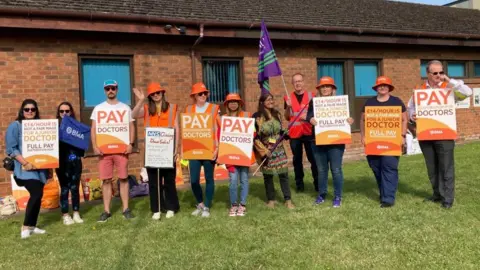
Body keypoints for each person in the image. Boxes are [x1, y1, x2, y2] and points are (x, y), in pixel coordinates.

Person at [407, 60, 472, 209]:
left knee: (446, 167)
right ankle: (437, 194)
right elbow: (410, 107)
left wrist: (448, 80)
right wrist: (412, 116)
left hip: (444, 134)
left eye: (441, 72)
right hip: (426, 134)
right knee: (432, 168)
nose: (438, 75)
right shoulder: (420, 89)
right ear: (427, 74)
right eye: (435, 73)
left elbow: (467, 92)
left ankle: (447, 199)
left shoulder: (449, 88)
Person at [132, 82, 180, 220]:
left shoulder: (172, 108)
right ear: (150, 97)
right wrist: (141, 100)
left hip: (168, 149)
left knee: (169, 180)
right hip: (153, 151)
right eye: (152, 94)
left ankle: (171, 207)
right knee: (154, 182)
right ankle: (156, 209)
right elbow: (133, 114)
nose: (156, 95)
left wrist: (176, 148)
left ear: (162, 93)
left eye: (158, 93)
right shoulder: (147, 109)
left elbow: (176, 128)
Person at [91, 80, 135, 222]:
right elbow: (93, 129)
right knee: (106, 180)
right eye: (108, 88)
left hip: (122, 150)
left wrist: (131, 143)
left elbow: (131, 126)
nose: (110, 90)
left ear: (117, 89)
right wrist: (95, 146)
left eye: (113, 88)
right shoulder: (98, 108)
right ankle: (106, 211)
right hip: (104, 152)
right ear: (105, 90)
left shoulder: (125, 108)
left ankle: (126, 209)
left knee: (123, 179)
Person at [306, 77, 354, 208]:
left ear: (333, 89)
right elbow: (308, 116)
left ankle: (338, 196)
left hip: (336, 141)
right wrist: (311, 119)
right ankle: (322, 194)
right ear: (319, 89)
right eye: (323, 87)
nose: (325, 88)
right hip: (318, 140)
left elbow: (346, 117)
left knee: (336, 169)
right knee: (321, 170)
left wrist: (349, 120)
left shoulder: (340, 102)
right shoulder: (314, 102)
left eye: (328, 86)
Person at [360, 76, 407, 208]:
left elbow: (404, 119)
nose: (382, 87)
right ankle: (384, 192)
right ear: (376, 88)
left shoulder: (396, 101)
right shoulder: (369, 102)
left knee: (389, 168)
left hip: (391, 142)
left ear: (389, 87)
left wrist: (402, 135)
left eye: (385, 85)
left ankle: (388, 199)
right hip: (373, 141)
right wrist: (363, 136)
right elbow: (362, 120)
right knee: (376, 167)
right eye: (380, 85)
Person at [5, 99, 49, 238]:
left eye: (33, 109)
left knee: (39, 195)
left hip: (40, 169)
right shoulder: (16, 126)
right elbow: (11, 148)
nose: (30, 111)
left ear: (36, 111)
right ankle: (25, 227)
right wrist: (25, 163)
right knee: (36, 193)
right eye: (26, 109)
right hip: (24, 170)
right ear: (22, 111)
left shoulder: (41, 126)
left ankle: (32, 226)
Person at [253, 93, 295, 209]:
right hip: (265, 150)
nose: (271, 101)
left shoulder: (277, 114)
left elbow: (279, 132)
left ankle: (288, 200)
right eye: (267, 100)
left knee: (283, 174)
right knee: (268, 176)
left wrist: (284, 133)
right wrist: (264, 151)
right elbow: (254, 136)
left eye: (272, 99)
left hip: (279, 149)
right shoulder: (256, 117)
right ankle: (271, 199)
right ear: (262, 102)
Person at [185, 82, 220, 218]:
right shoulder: (188, 110)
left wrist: (217, 148)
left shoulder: (214, 108)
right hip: (193, 150)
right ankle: (200, 203)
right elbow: (185, 130)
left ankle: (206, 206)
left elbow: (219, 128)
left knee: (209, 179)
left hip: (209, 150)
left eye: (205, 93)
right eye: (200, 93)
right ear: (194, 96)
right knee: (193, 180)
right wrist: (184, 149)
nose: (203, 95)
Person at [284, 73, 318, 192]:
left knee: (313, 159)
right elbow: (287, 117)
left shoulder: (312, 96)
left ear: (303, 82)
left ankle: (317, 184)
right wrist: (288, 107)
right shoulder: (288, 98)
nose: (298, 83)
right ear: (292, 84)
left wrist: (309, 116)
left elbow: (318, 114)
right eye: (295, 81)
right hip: (295, 133)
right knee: (297, 160)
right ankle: (300, 185)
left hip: (309, 132)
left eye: (300, 81)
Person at [221, 93, 251, 217]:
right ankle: (234, 205)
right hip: (230, 156)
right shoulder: (223, 118)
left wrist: (251, 134)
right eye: (230, 102)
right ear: (227, 104)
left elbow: (252, 132)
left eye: (235, 102)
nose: (233, 104)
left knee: (244, 179)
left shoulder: (246, 116)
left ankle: (242, 205)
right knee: (233, 180)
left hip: (243, 154)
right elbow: (220, 137)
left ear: (239, 104)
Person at [55, 102, 85, 225]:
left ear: (71, 112)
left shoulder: (78, 127)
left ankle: (76, 212)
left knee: (75, 188)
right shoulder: (54, 128)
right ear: (59, 113)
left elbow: (82, 149)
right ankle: (65, 214)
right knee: (64, 189)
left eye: (67, 111)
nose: (64, 113)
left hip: (75, 162)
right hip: (61, 163)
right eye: (62, 111)